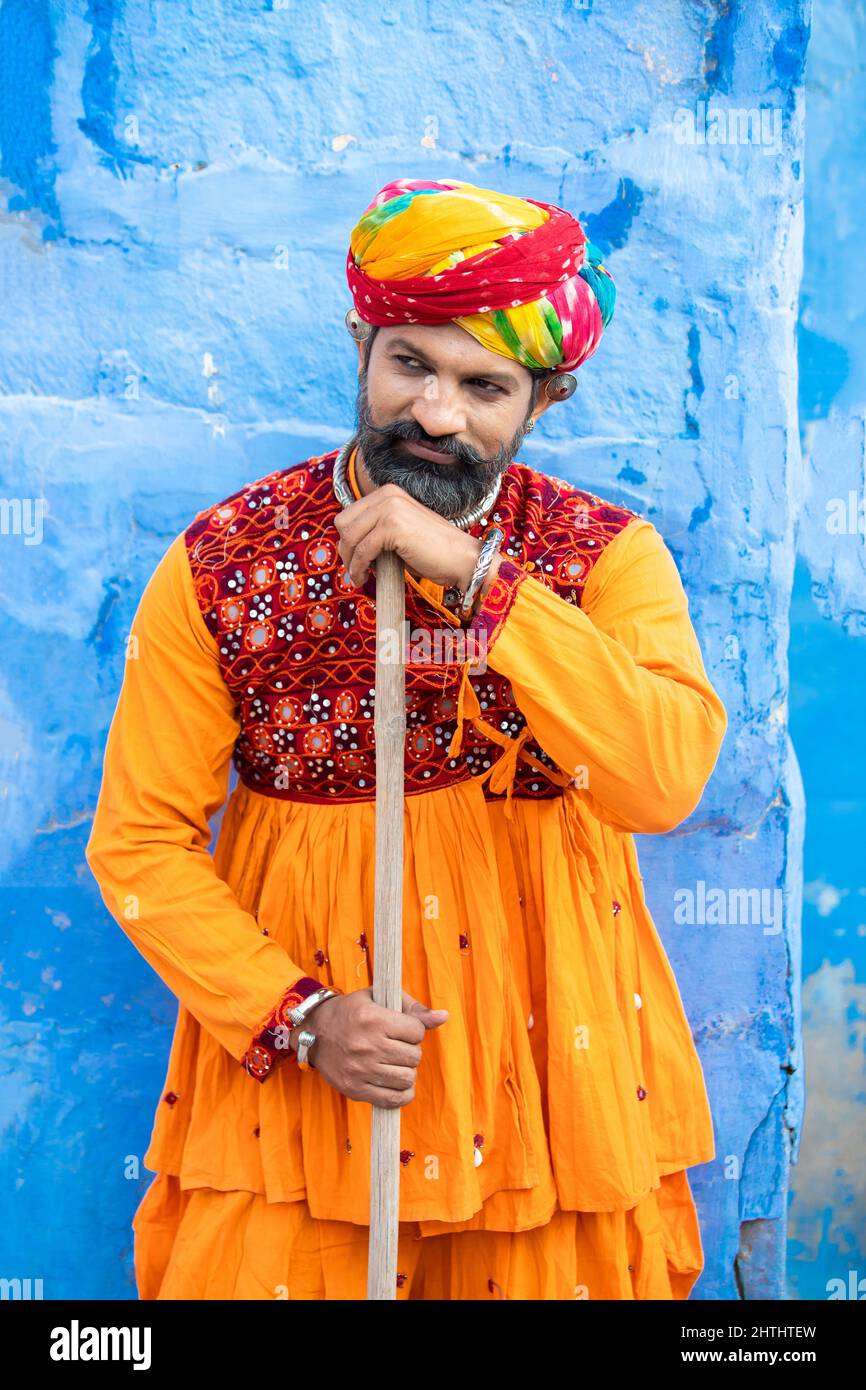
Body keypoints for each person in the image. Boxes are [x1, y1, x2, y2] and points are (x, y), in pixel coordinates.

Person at [85, 177, 727, 1301]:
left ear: (546, 398)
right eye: (410, 365)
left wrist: (484, 581)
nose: (436, 415)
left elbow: (659, 776)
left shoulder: (601, 559)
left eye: (485, 387)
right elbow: (137, 844)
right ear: (360, 343)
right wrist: (302, 1019)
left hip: (545, 1093)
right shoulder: (224, 563)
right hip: (307, 1096)